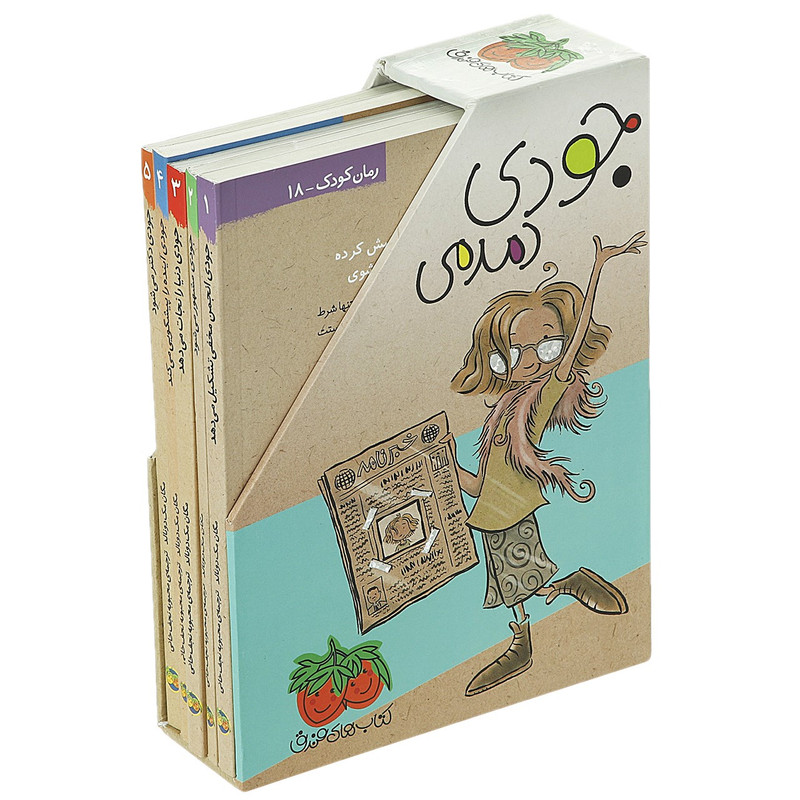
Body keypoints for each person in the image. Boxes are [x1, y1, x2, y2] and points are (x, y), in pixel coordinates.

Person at [449, 231, 646, 696]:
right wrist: (444, 468)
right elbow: (478, 486)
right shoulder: (502, 414)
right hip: (490, 514)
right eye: (513, 353)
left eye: (546, 347)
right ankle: (538, 617)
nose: (530, 361)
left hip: (513, 511)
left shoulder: (538, 400)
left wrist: (598, 268)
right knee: (511, 583)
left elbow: (575, 344)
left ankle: (531, 630)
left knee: (521, 581)